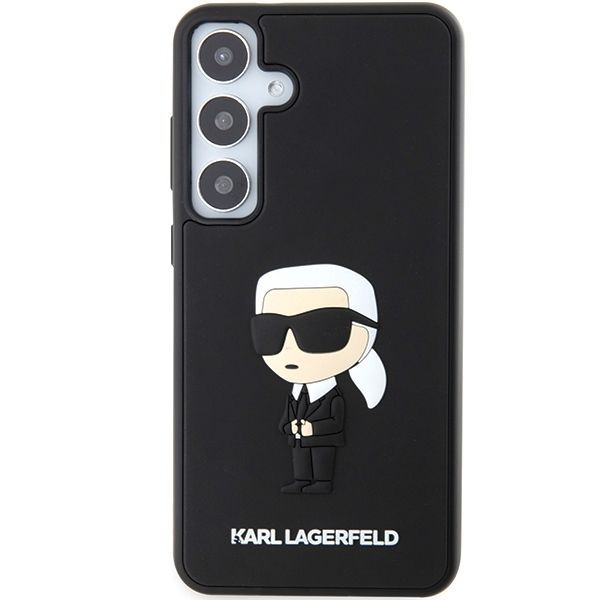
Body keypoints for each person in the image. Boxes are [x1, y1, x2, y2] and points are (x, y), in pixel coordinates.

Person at [251, 264, 386, 494]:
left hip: (323, 441)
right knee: (300, 459)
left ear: (364, 335)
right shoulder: (295, 394)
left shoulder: (334, 397)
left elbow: (336, 421)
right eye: (270, 331)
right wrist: (288, 426)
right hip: (298, 440)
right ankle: (302, 480)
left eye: (320, 329)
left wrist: (313, 429)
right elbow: (286, 417)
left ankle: (323, 482)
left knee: (322, 459)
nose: (291, 346)